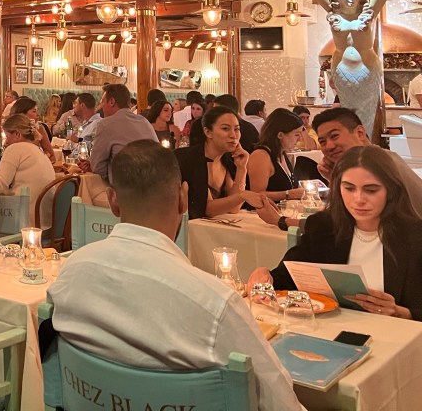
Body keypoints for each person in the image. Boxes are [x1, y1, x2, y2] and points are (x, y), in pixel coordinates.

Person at [48, 140, 301, 411]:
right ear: (183, 199)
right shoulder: (215, 304)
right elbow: (282, 403)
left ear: (113, 202)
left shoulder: (70, 274)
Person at [249, 145, 422, 321]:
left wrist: (401, 312)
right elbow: (286, 278)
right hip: (328, 329)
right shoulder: (324, 227)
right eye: (349, 188)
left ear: (391, 191)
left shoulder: (414, 236)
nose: (359, 199)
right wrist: (265, 275)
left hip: (394, 332)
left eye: (371, 190)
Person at [310, 0, 394, 137]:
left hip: (368, 68)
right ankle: (350, 146)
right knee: (348, 115)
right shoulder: (333, 11)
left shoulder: (368, 11)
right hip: (342, 69)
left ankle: (364, 146)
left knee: (366, 116)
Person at [308, 108, 422, 216]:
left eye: (334, 136)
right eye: (322, 141)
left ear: (360, 133)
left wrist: (335, 180)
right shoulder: (368, 160)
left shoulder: (379, 163)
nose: (329, 146)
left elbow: (352, 217)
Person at [174, 106, 265, 219]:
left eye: (236, 129)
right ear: (208, 132)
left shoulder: (227, 159)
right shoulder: (190, 159)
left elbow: (233, 208)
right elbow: (207, 209)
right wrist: (242, 196)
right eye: (225, 129)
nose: (233, 135)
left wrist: (242, 168)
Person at [0, 114, 56, 228]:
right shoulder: (38, 151)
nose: (5, 142)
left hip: (25, 222)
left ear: (17, 134)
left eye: (7, 136)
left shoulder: (15, 148)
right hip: (46, 223)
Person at [88, 84, 157, 180]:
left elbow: (98, 168)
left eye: (102, 102)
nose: (101, 107)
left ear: (111, 102)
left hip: (126, 185)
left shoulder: (106, 124)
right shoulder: (144, 121)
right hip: (154, 182)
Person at [242, 108, 307, 203]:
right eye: (296, 135)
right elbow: (256, 194)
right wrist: (288, 194)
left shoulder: (281, 153)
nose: (300, 139)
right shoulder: (261, 155)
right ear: (280, 135)